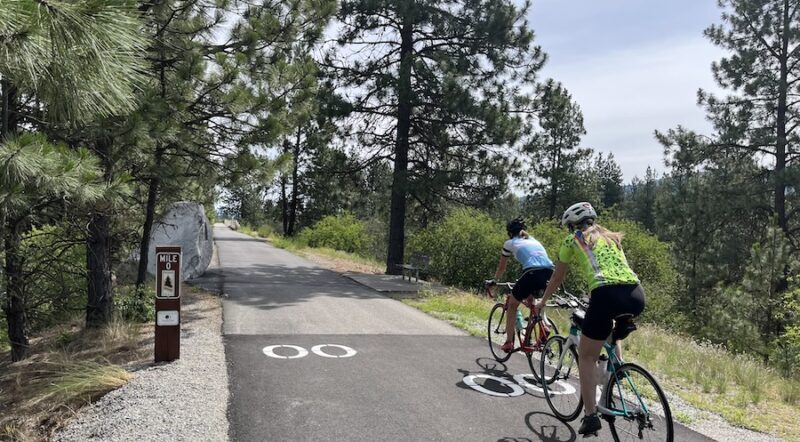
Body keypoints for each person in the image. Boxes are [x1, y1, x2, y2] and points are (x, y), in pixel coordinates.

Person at [535, 202, 645, 436]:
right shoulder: (613, 237)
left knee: (586, 356)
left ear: (573, 225)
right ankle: (618, 365)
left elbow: (556, 278)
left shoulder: (572, 239)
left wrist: (542, 302)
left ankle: (590, 416)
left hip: (605, 294)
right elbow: (615, 270)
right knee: (609, 327)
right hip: (635, 295)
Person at [489, 218, 555, 353]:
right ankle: (541, 328)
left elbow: (502, 267)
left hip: (532, 272)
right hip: (549, 272)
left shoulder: (509, 243)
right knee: (533, 302)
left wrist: (494, 280)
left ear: (509, 233)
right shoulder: (533, 240)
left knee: (512, 304)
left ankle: (508, 342)